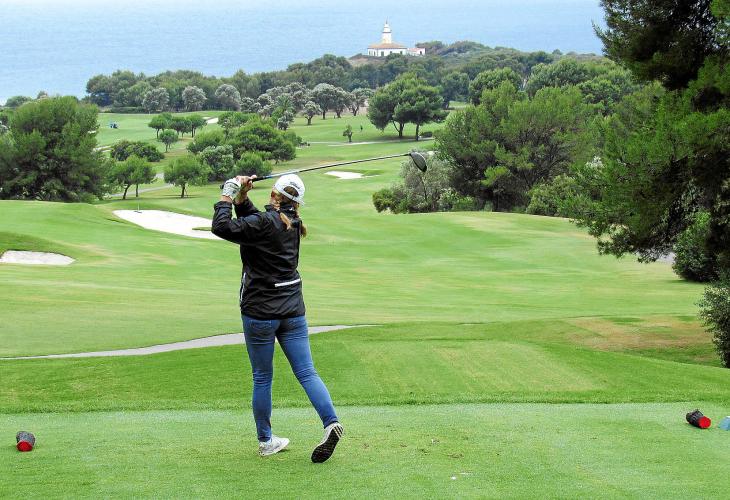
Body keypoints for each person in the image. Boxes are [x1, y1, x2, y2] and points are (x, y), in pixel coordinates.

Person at [212, 174, 343, 462]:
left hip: (260, 313)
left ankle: (266, 441)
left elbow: (222, 227)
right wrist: (243, 199)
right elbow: (256, 225)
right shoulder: (293, 223)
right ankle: (331, 422)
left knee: (262, 377)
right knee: (307, 372)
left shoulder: (265, 222)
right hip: (293, 311)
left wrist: (227, 194)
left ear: (274, 195)